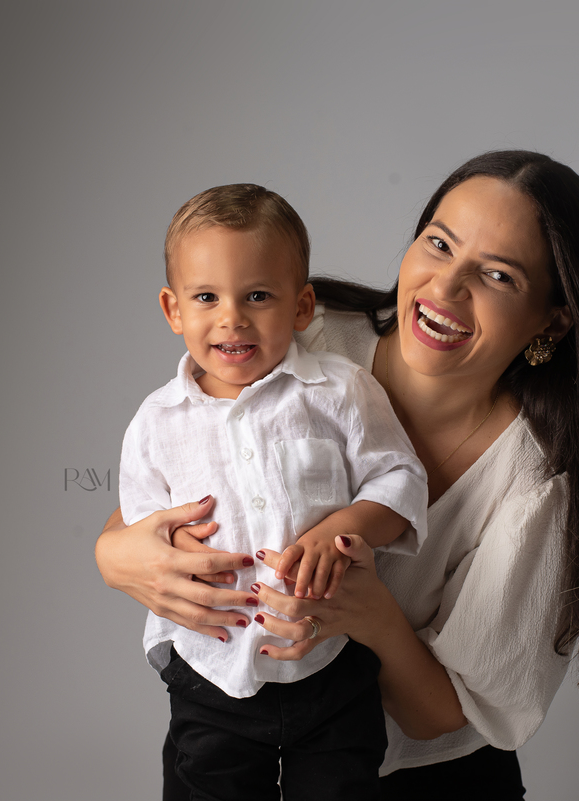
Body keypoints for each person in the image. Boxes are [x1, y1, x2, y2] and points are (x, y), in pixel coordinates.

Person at [96, 151, 579, 800]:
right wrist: (116, 556)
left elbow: (440, 716)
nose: (445, 288)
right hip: (236, 736)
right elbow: (172, 476)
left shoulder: (537, 484)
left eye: (497, 275)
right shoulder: (309, 340)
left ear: (553, 320)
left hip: (423, 781)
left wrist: (369, 613)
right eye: (440, 244)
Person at [118, 183, 428, 800]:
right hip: (212, 667)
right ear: (173, 310)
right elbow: (141, 528)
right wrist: (171, 547)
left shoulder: (339, 391)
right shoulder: (157, 422)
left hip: (330, 657)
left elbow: (400, 478)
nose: (231, 317)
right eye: (206, 297)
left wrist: (344, 528)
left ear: (302, 306)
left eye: (257, 295)